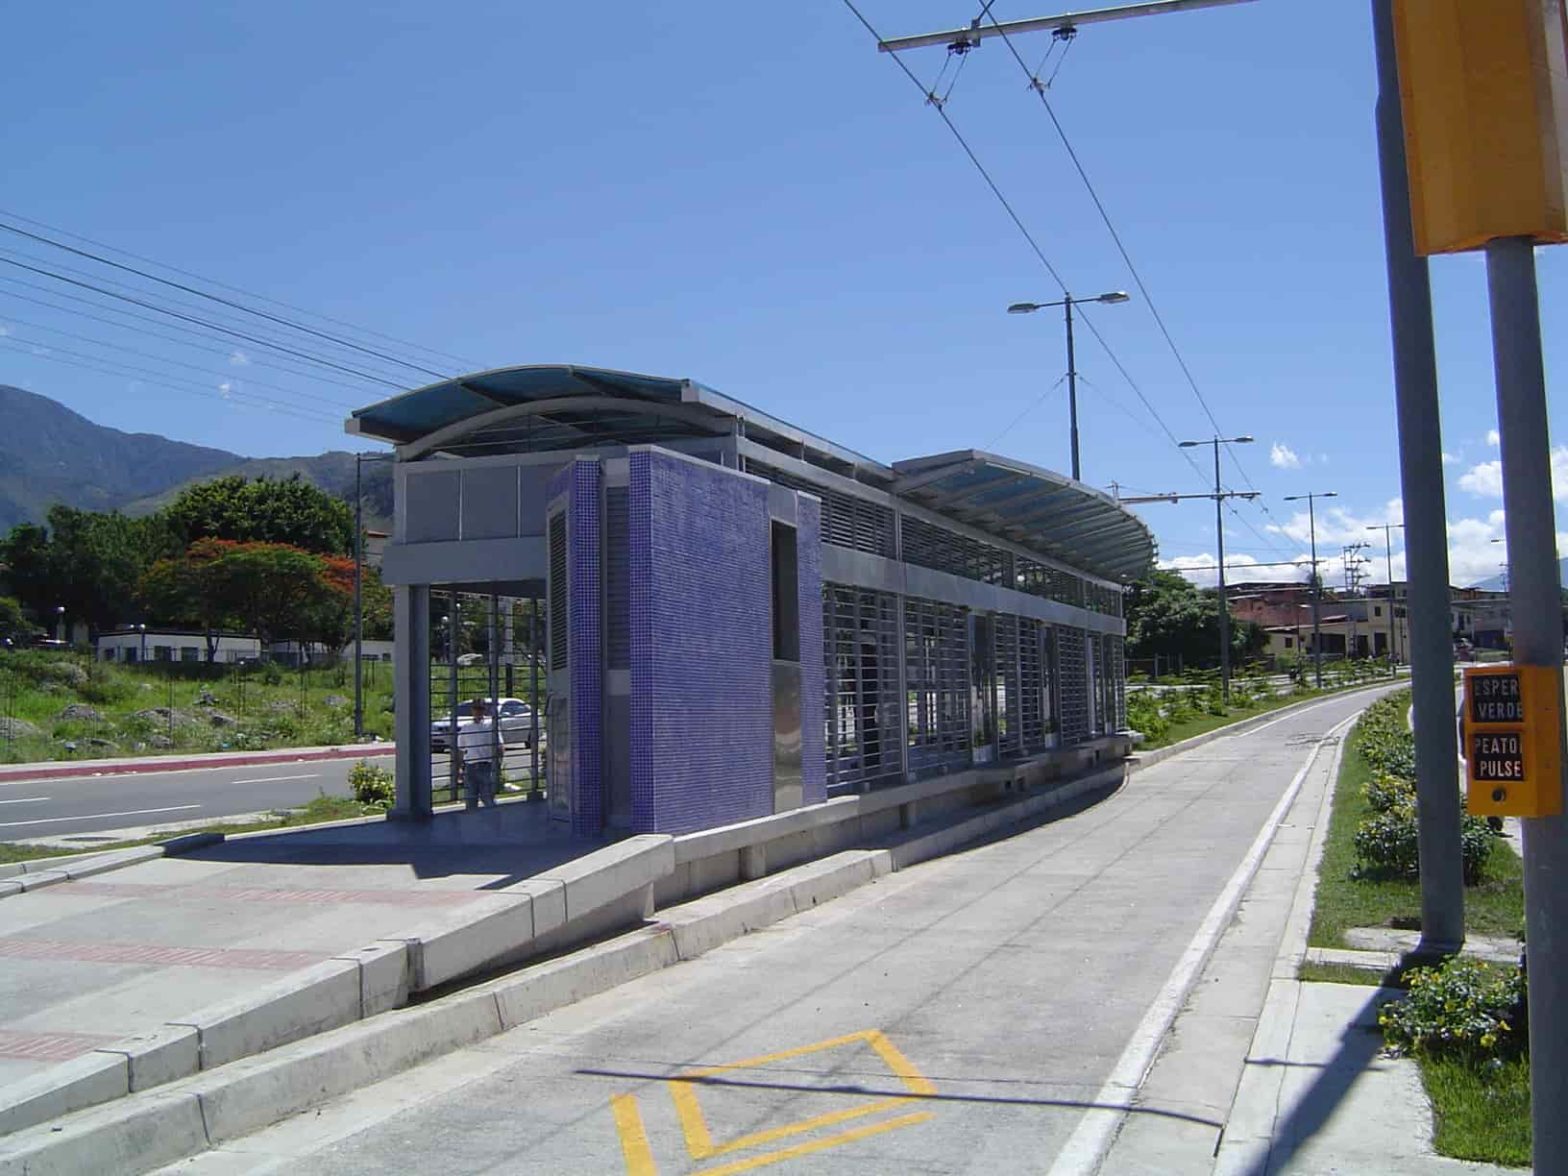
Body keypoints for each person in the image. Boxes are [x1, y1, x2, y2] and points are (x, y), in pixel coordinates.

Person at [458, 697, 499, 809]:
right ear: (472, 710)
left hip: (486, 765)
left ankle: (493, 821)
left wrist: (497, 764)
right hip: (470, 766)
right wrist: (460, 768)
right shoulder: (466, 727)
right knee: (470, 800)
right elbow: (461, 749)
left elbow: (500, 746)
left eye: (480, 709)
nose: (478, 711)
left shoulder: (490, 725)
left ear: (484, 709)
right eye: (476, 709)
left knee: (488, 799)